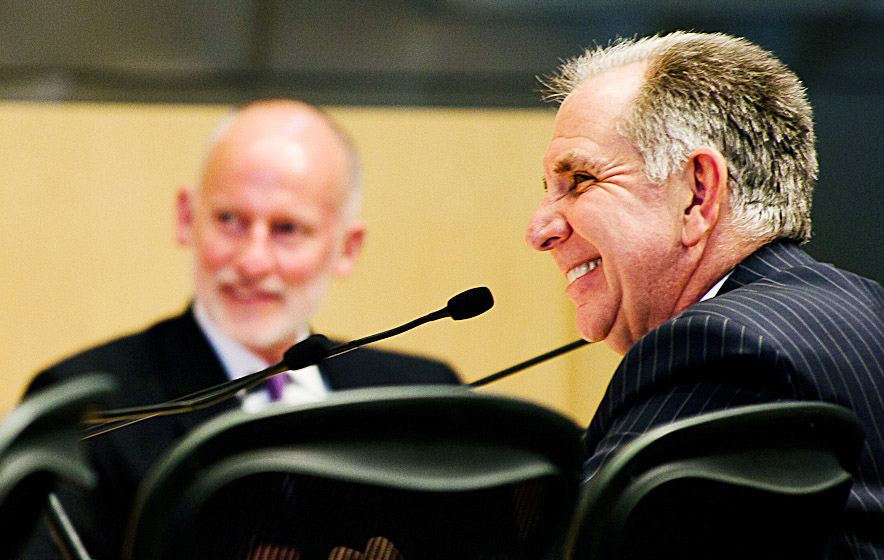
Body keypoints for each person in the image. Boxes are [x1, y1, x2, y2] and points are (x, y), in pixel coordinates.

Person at [23, 99, 459, 559]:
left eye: (287, 229)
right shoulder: (88, 408)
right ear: (186, 217)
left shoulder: (423, 399)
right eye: (229, 221)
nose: (252, 261)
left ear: (347, 248)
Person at [526, 32, 883, 557]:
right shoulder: (865, 307)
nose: (539, 230)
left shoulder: (718, 347)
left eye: (580, 180)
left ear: (698, 192)